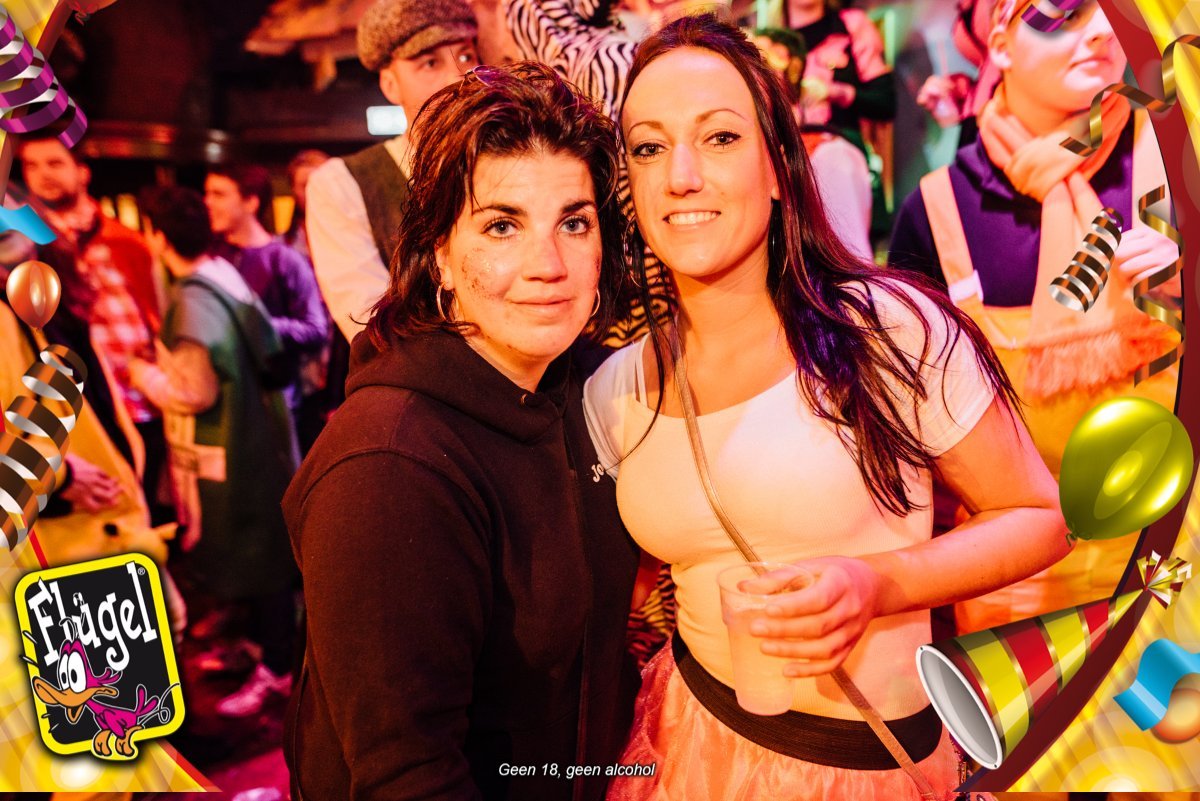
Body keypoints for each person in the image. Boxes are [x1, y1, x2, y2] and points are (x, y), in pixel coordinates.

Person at [584, 15, 1069, 799]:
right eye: (648, 147)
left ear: (780, 166)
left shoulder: (887, 331)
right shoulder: (613, 387)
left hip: (862, 765)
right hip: (682, 747)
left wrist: (880, 583)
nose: (681, 175)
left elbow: (1039, 517)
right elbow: (647, 567)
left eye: (719, 137)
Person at [283, 62, 639, 801]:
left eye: (574, 222)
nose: (548, 265)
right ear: (439, 252)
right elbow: (407, 775)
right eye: (502, 225)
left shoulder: (581, 390)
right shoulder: (388, 465)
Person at [889, 0, 1178, 634]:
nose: (1101, 31)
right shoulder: (937, 209)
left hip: (1175, 567)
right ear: (999, 42)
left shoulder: (1175, 163)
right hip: (1017, 594)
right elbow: (912, 430)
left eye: (1111, 10)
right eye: (1064, 12)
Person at [130, 187, 301, 719]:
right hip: (263, 436)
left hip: (233, 448)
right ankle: (266, 656)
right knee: (266, 554)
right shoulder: (224, 274)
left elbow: (195, 391)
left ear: (159, 237)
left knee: (258, 560)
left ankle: (277, 671)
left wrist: (141, 373)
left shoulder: (192, 299)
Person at [17, 133, 172, 526]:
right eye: (32, 166)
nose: (43, 174)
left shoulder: (126, 242)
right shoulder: (23, 246)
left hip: (136, 404)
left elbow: (159, 320)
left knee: (143, 518)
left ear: (82, 172)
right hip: (70, 412)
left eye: (54, 163)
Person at [305, 0, 481, 343]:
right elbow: (375, 333)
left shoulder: (510, 163)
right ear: (390, 85)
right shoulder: (343, 184)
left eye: (465, 56)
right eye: (430, 63)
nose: (458, 77)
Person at [205, 163, 328, 415]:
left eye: (219, 194)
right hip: (221, 400)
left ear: (251, 202)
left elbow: (315, 329)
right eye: (207, 193)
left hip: (272, 403)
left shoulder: (284, 259)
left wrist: (260, 325)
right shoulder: (210, 257)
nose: (208, 202)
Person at [753, 26, 873, 261]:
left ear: (793, 69)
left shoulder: (830, 155)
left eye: (762, 62)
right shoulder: (756, 149)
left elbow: (853, 255)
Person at [783, 0, 894, 152]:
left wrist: (834, 92)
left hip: (843, 153)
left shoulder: (851, 25)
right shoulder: (768, 40)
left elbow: (885, 102)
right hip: (791, 156)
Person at [283, 149, 331, 261]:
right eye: (305, 185)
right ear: (293, 190)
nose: (312, 192)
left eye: (318, 185)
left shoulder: (353, 238)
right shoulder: (282, 246)